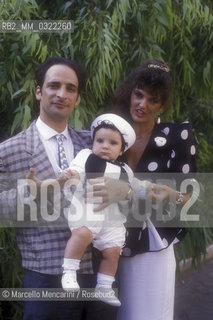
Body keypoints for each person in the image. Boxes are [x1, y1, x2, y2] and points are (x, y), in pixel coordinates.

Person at [0, 57, 131, 320]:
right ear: (39, 91)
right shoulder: (9, 150)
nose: (62, 94)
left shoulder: (96, 142)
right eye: (53, 86)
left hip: (98, 272)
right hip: (46, 277)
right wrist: (31, 192)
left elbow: (131, 188)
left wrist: (122, 191)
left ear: (78, 97)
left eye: (70, 88)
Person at [112, 59, 196, 320]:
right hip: (110, 248)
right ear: (130, 92)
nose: (142, 105)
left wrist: (173, 196)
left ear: (162, 105)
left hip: (153, 249)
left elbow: (193, 198)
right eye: (139, 95)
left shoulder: (177, 136)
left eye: (153, 100)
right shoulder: (109, 135)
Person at [61, 113, 136, 307]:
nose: (105, 146)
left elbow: (131, 190)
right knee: (83, 233)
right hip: (88, 206)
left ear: (121, 150)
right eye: (100, 140)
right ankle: (69, 272)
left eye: (112, 143)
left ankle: (104, 286)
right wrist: (71, 176)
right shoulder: (86, 156)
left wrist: (127, 191)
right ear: (92, 142)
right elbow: (75, 172)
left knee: (113, 250)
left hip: (112, 215)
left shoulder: (125, 170)